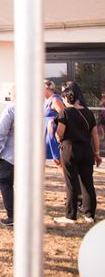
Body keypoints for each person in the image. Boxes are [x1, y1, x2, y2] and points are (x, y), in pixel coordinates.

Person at [53, 82, 101, 224]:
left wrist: (58, 138)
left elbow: (60, 133)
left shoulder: (65, 112)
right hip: (87, 150)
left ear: (66, 99)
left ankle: (71, 216)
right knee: (88, 183)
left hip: (70, 149)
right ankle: (89, 215)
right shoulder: (88, 113)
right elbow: (95, 135)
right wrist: (97, 153)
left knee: (71, 183)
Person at [0, 87, 16, 226]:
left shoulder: (11, 110)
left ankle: (13, 215)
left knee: (5, 182)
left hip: (11, 155)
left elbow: (2, 132)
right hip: (30, 155)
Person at [43, 79, 64, 167]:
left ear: (46, 88)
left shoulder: (55, 100)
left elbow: (65, 116)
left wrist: (53, 120)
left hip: (54, 134)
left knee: (58, 161)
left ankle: (71, 180)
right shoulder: (45, 101)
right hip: (46, 134)